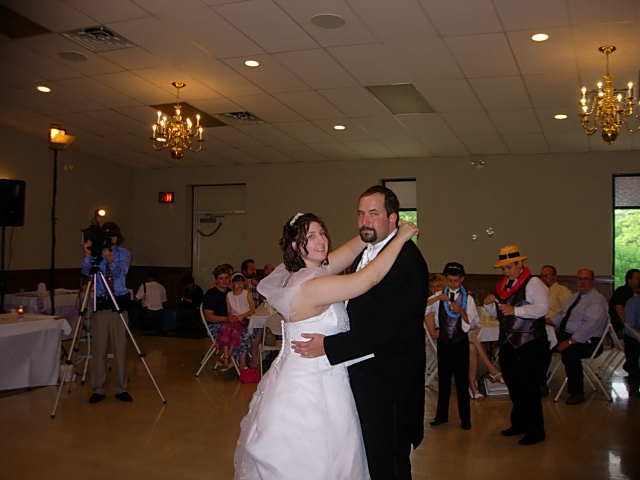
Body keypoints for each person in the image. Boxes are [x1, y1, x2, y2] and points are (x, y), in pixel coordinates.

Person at [234, 212, 419, 480]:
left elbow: (346, 251)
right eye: (310, 236)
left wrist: (373, 227)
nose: (321, 240)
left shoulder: (297, 273)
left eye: (322, 232)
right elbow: (369, 279)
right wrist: (400, 238)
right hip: (316, 384)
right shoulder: (314, 286)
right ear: (297, 246)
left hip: (296, 377)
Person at [292, 186, 429, 480]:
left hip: (390, 379)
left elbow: (387, 329)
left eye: (374, 214)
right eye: (360, 214)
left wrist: (331, 347)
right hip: (364, 373)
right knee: (371, 454)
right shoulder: (367, 252)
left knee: (389, 458)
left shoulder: (406, 261)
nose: (365, 221)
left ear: (393, 219)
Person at [483, 245, 548, 446]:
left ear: (520, 264)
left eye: (509, 267)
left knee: (528, 387)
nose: (506, 271)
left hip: (529, 342)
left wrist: (516, 311)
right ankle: (519, 423)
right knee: (513, 385)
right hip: (508, 342)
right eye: (503, 268)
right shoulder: (504, 285)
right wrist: (488, 304)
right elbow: (497, 313)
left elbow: (542, 309)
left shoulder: (534, 283)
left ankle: (536, 429)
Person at [81, 222, 133, 404]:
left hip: (119, 302)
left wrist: (110, 259)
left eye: (112, 236)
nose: (109, 239)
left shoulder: (124, 253)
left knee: (120, 348)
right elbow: (86, 272)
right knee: (99, 348)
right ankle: (98, 388)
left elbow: (121, 272)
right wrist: (88, 255)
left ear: (117, 237)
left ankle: (121, 387)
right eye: (105, 236)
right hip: (101, 303)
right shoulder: (96, 254)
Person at [426, 262, 477, 430]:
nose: (453, 284)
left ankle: (466, 419)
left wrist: (461, 311)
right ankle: (441, 415)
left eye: (456, 281)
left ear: (462, 279)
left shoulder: (467, 298)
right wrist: (436, 298)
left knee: (461, 381)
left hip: (459, 342)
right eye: (449, 280)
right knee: (444, 380)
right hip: (444, 343)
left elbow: (472, 321)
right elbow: (424, 309)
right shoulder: (441, 295)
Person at [546, 269, 608, 405]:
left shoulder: (596, 301)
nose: (582, 282)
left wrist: (570, 341)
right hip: (567, 335)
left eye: (585, 279)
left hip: (588, 342)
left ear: (593, 281)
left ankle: (577, 392)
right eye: (579, 279)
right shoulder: (575, 297)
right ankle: (541, 383)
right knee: (542, 342)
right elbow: (562, 315)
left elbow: (589, 327)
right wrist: (546, 320)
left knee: (570, 353)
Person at [539, 265, 572, 395]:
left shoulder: (563, 292)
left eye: (547, 275)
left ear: (554, 277)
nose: (544, 278)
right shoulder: (539, 291)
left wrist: (559, 325)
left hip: (556, 330)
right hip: (539, 326)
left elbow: (568, 313)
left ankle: (541, 382)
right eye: (542, 276)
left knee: (543, 346)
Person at [216, 272, 255, 371]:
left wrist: (242, 316)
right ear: (232, 283)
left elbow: (252, 310)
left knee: (235, 330)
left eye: (242, 282)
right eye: (237, 282)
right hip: (234, 319)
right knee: (225, 329)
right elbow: (229, 310)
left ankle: (226, 358)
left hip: (245, 318)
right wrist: (231, 316)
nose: (239, 285)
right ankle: (226, 357)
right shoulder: (229, 295)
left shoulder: (247, 294)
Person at [202, 265, 232, 339]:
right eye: (221, 278)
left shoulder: (231, 292)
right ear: (216, 280)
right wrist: (226, 319)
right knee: (235, 333)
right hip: (215, 326)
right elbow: (208, 317)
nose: (224, 281)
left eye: (226, 278)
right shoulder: (211, 294)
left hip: (230, 324)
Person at [609, 268, 640, 333]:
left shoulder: (637, 296)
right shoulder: (622, 291)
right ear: (629, 280)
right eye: (638, 278)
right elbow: (619, 308)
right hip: (621, 328)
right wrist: (629, 324)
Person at [623, 293, 640, 397]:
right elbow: (629, 328)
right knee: (632, 346)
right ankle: (634, 384)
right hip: (633, 335)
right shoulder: (632, 303)